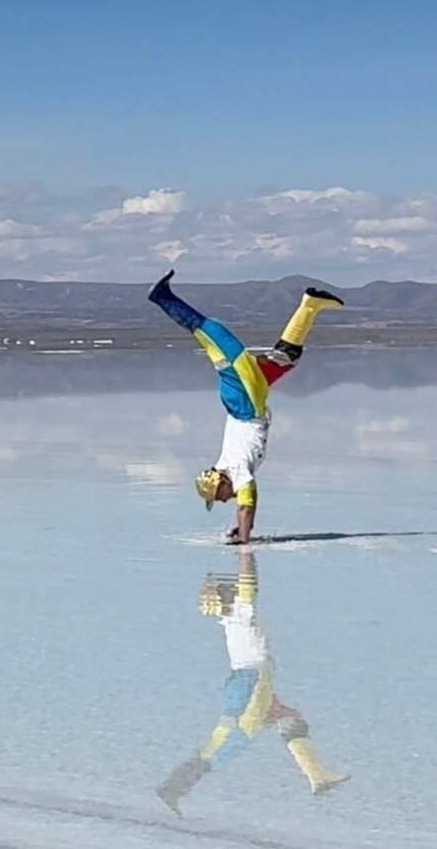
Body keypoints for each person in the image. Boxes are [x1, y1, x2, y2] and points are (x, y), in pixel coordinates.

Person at [148, 272, 344, 544]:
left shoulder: (235, 470)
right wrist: (242, 530)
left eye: (220, 497)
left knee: (209, 333)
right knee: (285, 359)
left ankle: (163, 297)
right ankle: (310, 304)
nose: (225, 500)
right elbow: (243, 504)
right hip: (247, 398)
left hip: (244, 400)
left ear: (221, 484)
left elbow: (246, 505)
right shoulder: (227, 468)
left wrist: (243, 537)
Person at [156, 552, 349, 815]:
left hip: (253, 681)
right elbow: (249, 580)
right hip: (251, 682)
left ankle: (318, 777)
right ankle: (173, 788)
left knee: (290, 719)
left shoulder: (232, 616)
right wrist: (246, 551)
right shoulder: (241, 612)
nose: (233, 587)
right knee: (228, 742)